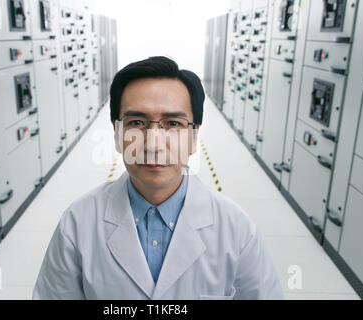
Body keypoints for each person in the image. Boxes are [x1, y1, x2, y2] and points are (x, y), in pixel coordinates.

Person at [32, 56, 284, 300]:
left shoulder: (237, 230)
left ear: (194, 137)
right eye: (137, 122)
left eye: (173, 124)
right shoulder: (77, 224)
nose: (153, 144)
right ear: (117, 134)